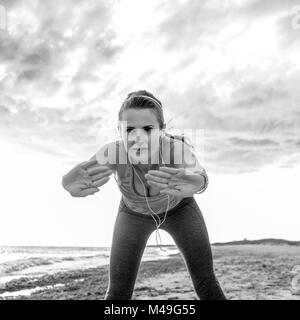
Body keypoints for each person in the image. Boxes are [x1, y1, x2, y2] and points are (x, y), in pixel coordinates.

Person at [61, 90, 226, 300]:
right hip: (132, 216)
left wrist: (199, 182)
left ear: (161, 130)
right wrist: (66, 183)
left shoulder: (175, 149)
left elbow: (199, 174)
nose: (138, 137)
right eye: (130, 129)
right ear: (119, 130)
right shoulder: (113, 152)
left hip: (180, 211)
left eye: (148, 129)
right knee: (117, 292)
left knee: (206, 281)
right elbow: (78, 177)